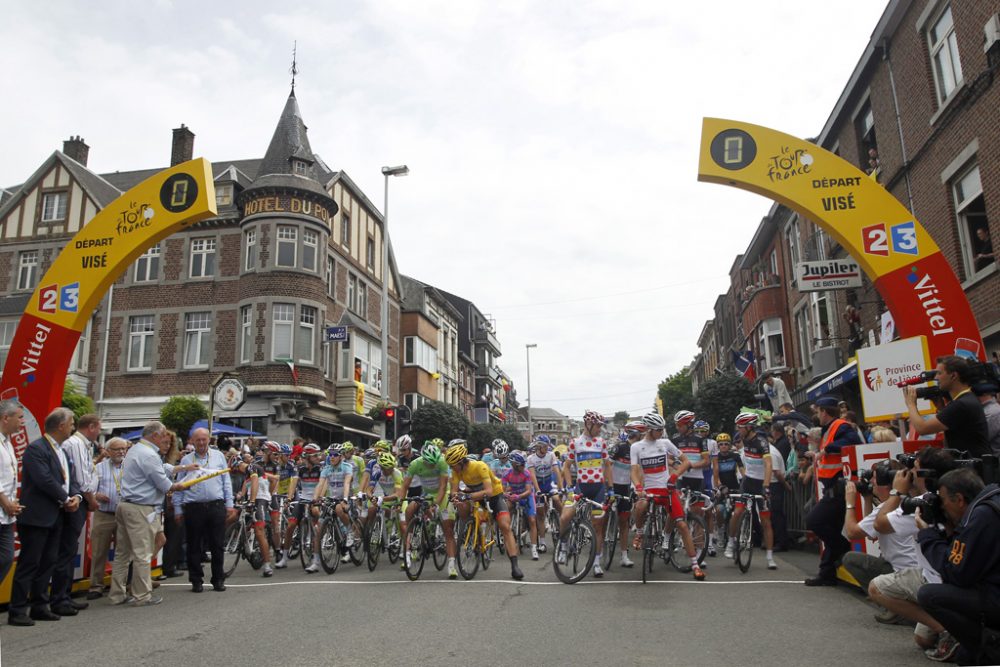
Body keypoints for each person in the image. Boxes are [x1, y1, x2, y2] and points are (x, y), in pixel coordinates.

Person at [868, 447, 955, 654]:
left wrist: (896, 492)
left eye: (914, 469)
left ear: (926, 475)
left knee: (876, 587)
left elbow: (879, 525)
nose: (909, 474)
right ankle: (947, 624)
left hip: (934, 578)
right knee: (922, 639)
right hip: (953, 572)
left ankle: (945, 629)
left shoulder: (921, 505)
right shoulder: (953, 493)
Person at [917, 468, 1000, 664]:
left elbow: (955, 573)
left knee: (930, 595)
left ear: (960, 499)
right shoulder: (993, 500)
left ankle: (990, 649)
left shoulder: (981, 517)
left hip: (996, 596)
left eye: (944, 501)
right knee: (965, 657)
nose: (943, 508)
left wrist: (927, 535)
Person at [8, 408, 82, 626]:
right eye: (71, 423)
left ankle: (40, 606)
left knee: (48, 562)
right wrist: (66, 499)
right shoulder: (36, 448)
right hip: (37, 515)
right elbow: (44, 480)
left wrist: (75, 495)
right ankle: (17, 609)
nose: (72, 427)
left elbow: (69, 478)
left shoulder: (62, 450)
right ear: (60, 425)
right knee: (29, 563)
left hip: (56, 515)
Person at [109, 421, 185, 607]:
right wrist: (179, 485)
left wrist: (179, 469)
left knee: (122, 554)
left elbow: (156, 470)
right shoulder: (149, 454)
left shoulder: (135, 449)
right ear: (154, 436)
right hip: (140, 507)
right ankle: (142, 595)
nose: (164, 439)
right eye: (162, 436)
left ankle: (117, 594)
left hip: (126, 504)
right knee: (142, 553)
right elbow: (164, 484)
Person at [840, 460, 919, 620]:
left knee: (850, 559)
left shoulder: (888, 508)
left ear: (887, 483)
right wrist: (868, 499)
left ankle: (895, 606)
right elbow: (872, 533)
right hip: (917, 571)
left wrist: (850, 503)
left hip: (903, 573)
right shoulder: (907, 502)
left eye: (875, 478)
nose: (871, 482)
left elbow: (852, 533)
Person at [630, 412, 705, 581]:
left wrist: (674, 476)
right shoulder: (636, 447)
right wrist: (638, 486)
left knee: (683, 525)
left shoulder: (665, 443)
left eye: (662, 429)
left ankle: (695, 565)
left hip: (667, 489)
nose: (662, 432)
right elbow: (634, 471)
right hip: (649, 490)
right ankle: (640, 532)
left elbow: (685, 461)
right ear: (650, 429)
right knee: (640, 506)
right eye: (659, 429)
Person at [803, 395, 863, 586]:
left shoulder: (840, 426)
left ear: (824, 411)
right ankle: (827, 573)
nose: (817, 415)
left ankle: (843, 548)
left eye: (818, 411)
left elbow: (852, 442)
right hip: (832, 488)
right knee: (831, 529)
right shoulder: (829, 429)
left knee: (814, 520)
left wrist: (827, 449)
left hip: (838, 489)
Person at [445, 440, 524, 580]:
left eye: (453, 465)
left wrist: (467, 496)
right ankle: (471, 532)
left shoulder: (479, 466)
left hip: (494, 494)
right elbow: (454, 491)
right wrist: (455, 498)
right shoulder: (455, 471)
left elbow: (488, 490)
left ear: (461, 461)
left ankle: (514, 565)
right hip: (475, 494)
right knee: (462, 507)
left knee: (505, 526)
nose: (452, 468)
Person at [47, 413, 101, 615]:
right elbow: (79, 477)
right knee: (66, 551)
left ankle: (65, 596)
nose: (70, 427)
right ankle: (59, 598)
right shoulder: (76, 444)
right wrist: (91, 498)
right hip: (77, 501)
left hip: (81, 501)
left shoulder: (83, 444)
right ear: (92, 426)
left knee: (69, 551)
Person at [173, 427, 235, 592]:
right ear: (192, 441)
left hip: (216, 505)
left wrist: (229, 504)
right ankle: (196, 580)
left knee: (217, 545)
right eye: (197, 440)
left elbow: (226, 481)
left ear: (209, 439)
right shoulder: (186, 460)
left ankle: (218, 579)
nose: (201, 443)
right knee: (194, 545)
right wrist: (178, 509)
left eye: (204, 439)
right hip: (194, 507)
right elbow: (180, 485)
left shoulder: (219, 456)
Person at [556, 410, 612, 577]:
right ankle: (563, 546)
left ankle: (596, 562)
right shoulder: (575, 443)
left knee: (598, 526)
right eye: (598, 426)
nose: (600, 429)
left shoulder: (601, 442)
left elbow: (607, 465)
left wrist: (611, 488)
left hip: (598, 488)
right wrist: (570, 486)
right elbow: (566, 466)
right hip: (581, 487)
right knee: (565, 517)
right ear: (588, 424)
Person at [904, 355, 989, 456]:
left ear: (953, 376)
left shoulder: (961, 404)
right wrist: (940, 408)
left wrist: (911, 404)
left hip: (974, 468)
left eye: (939, 373)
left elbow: (922, 429)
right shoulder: (967, 399)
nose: (936, 378)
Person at [724, 413, 777, 570]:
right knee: (737, 512)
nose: (737, 430)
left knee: (766, 521)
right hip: (748, 482)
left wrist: (766, 486)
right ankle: (731, 542)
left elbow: (768, 464)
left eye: (740, 427)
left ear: (748, 427)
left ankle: (770, 556)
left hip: (761, 483)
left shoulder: (761, 442)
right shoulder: (743, 438)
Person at [88, 437, 129, 599]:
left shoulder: (131, 467)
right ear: (108, 451)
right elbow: (90, 489)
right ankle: (96, 586)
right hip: (104, 514)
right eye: (117, 449)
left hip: (124, 514)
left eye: (123, 449)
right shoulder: (99, 468)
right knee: (99, 551)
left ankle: (120, 584)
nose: (121, 452)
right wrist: (96, 494)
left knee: (123, 551)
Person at [0, 400, 25, 588]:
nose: (22, 422)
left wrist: (12, 501)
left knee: (6, 559)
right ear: (6, 418)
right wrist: (4, 501)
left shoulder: (8, 442)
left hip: (6, 516)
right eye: (20, 417)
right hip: (3, 508)